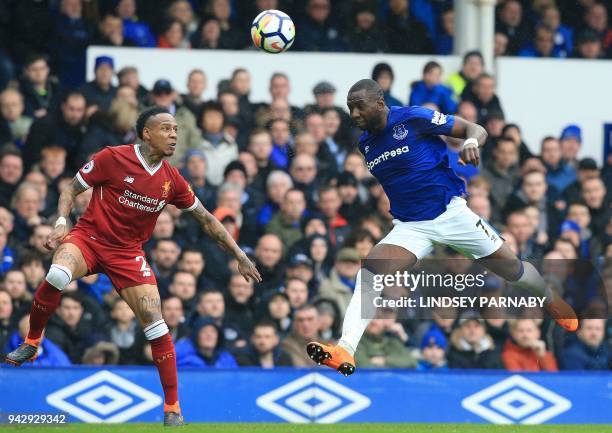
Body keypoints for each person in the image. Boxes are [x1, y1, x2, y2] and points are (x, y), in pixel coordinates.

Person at [4, 107, 261, 426]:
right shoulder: (112, 157)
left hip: (127, 254)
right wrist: (61, 222)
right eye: (166, 128)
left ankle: (172, 408)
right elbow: (71, 188)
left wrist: (239, 254)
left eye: (176, 129)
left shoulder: (171, 179)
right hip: (89, 238)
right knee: (57, 273)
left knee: (157, 323)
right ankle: (31, 342)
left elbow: (206, 218)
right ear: (146, 133)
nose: (174, 135)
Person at [306, 79, 578, 377]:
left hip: (451, 214)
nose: (354, 113)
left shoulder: (413, 118)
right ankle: (345, 348)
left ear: (380, 103)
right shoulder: (365, 143)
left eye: (359, 106)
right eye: (350, 108)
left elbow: (476, 129)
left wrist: (471, 143)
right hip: (411, 226)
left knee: (513, 270)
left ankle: (550, 298)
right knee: (370, 270)